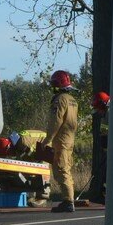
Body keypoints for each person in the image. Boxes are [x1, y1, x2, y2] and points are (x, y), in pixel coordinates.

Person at [41, 69, 78, 212]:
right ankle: (68, 199)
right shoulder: (72, 100)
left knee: (62, 170)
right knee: (66, 169)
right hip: (69, 139)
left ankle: (68, 202)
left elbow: (55, 121)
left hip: (61, 141)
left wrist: (47, 140)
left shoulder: (60, 100)